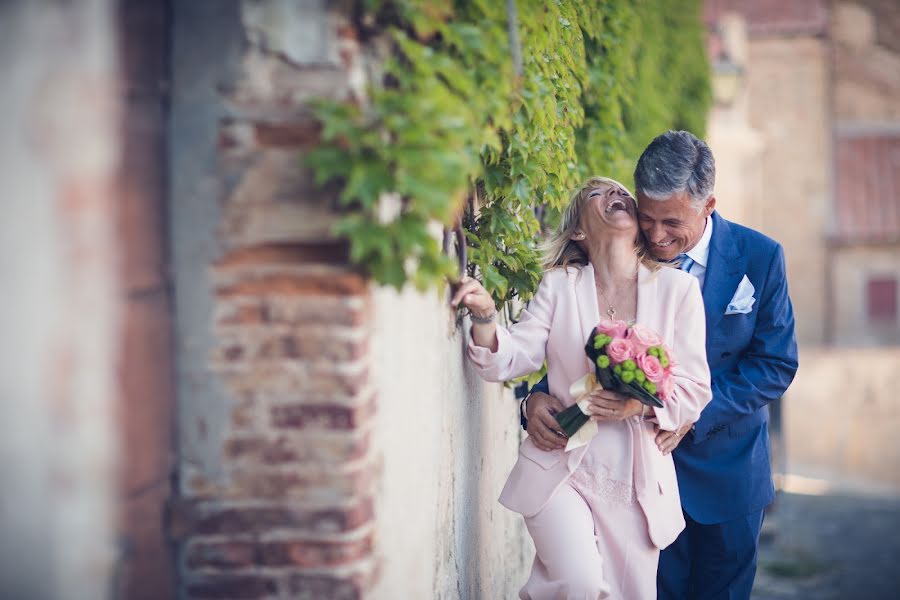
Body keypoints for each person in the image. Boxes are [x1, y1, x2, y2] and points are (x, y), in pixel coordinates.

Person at [524, 131, 799, 599]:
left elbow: (775, 363)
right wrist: (530, 399)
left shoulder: (761, 257)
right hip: (631, 483)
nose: (655, 236)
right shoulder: (619, 247)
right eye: (646, 218)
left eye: (671, 222)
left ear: (708, 205)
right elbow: (564, 338)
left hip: (726, 474)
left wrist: (690, 413)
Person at [451, 175, 712, 599]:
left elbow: (695, 388)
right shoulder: (559, 286)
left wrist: (639, 407)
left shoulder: (678, 290)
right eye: (599, 192)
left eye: (622, 193)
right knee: (580, 584)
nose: (617, 195)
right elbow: (517, 355)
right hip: (560, 469)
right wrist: (484, 317)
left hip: (635, 483)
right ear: (577, 230)